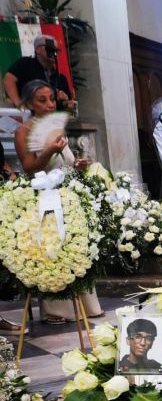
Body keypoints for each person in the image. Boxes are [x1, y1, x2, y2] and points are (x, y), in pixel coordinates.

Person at [14, 80, 103, 323]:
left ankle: (86, 305)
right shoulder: (23, 132)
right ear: (29, 103)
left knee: (75, 248)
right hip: (43, 198)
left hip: (67, 195)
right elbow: (30, 168)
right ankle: (56, 310)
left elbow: (65, 164)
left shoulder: (57, 128)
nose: (49, 104)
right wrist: (49, 151)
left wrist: (78, 166)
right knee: (51, 251)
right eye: (42, 100)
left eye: (51, 98)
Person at [3, 34, 73, 110]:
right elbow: (8, 80)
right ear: (38, 49)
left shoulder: (60, 77)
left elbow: (69, 106)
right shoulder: (26, 64)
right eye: (50, 48)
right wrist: (19, 103)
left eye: (56, 50)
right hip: (28, 116)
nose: (54, 53)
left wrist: (64, 101)